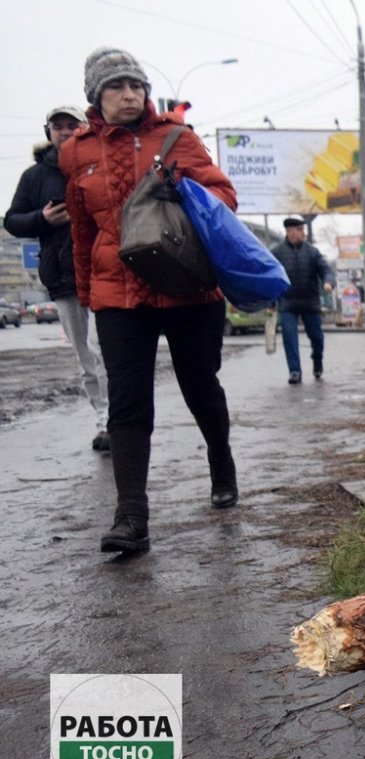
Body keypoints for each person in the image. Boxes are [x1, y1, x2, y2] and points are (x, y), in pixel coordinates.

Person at [60, 47, 240, 554]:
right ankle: (131, 516)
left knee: (199, 384)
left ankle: (220, 462)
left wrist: (180, 188)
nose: (128, 94)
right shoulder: (76, 152)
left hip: (186, 287)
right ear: (97, 96)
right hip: (117, 294)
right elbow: (80, 231)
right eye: (116, 87)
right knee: (129, 401)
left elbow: (224, 199)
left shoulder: (176, 138)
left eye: (134, 85)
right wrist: (86, 291)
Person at [4, 105, 110, 452]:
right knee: (85, 356)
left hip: (104, 271)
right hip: (62, 275)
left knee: (102, 350)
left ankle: (115, 421)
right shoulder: (35, 176)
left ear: (85, 128)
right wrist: (42, 218)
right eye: (57, 126)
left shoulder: (99, 162)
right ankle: (102, 420)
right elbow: (12, 220)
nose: (64, 132)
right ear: (48, 131)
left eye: (71, 125)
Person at [271, 217, 334, 383]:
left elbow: (325, 269)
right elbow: (270, 278)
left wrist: (328, 281)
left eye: (303, 229)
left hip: (310, 302)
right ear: (289, 231)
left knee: (317, 337)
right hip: (287, 303)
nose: (303, 233)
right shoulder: (276, 253)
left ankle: (317, 360)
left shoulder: (312, 252)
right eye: (299, 229)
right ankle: (294, 371)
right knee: (289, 337)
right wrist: (270, 303)